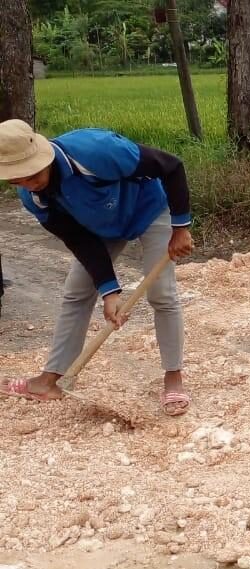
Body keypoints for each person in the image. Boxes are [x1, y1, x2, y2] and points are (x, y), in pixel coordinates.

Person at [0, 119, 194, 415]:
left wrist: (180, 227)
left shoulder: (96, 151)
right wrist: (109, 290)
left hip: (150, 208)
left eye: (31, 173)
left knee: (161, 293)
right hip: (100, 228)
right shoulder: (33, 198)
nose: (27, 183)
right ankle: (51, 379)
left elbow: (170, 166)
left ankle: (173, 377)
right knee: (76, 291)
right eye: (17, 180)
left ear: (43, 155)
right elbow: (79, 240)